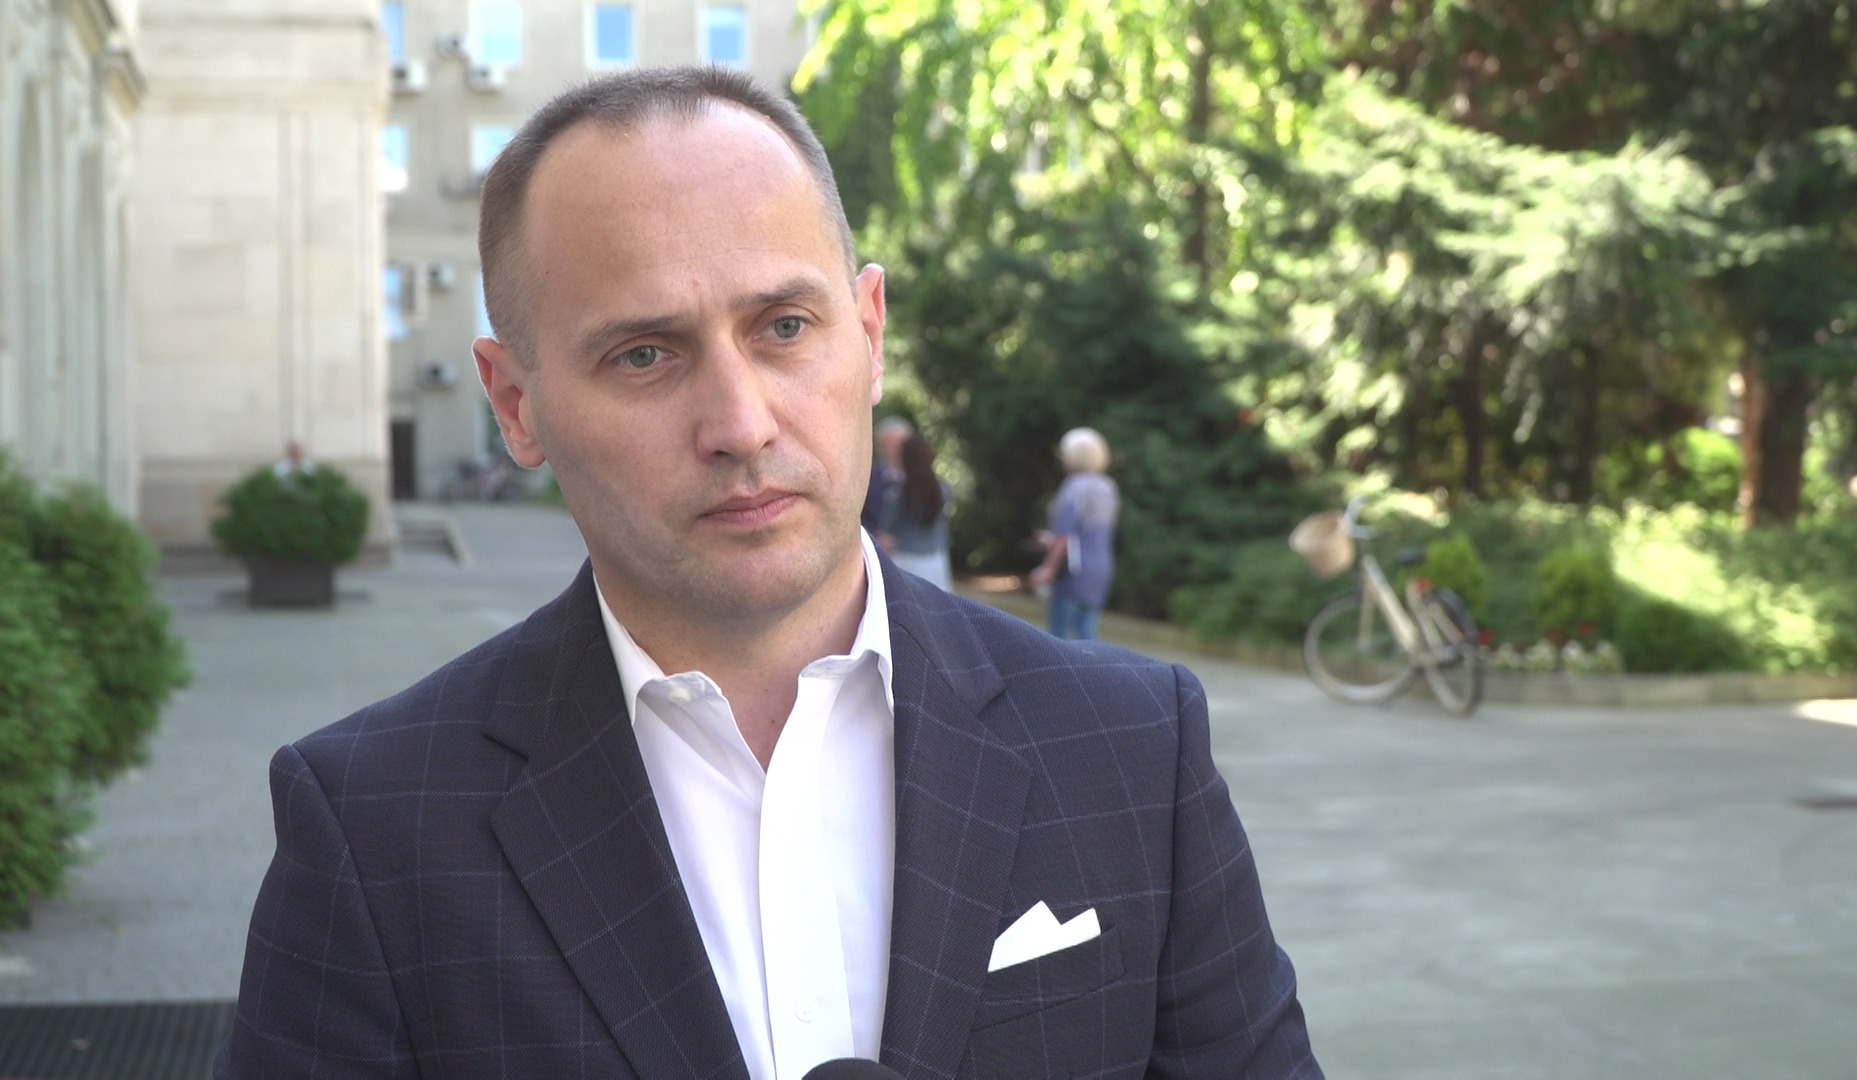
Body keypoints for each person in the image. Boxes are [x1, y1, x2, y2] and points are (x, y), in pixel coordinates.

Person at [216, 67, 1319, 1080]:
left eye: (785, 326)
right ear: (516, 405)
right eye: (644, 354)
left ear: (870, 334)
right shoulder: (375, 827)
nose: (740, 424)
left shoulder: (1132, 751)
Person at [1030, 427, 1120, 641]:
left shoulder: (1075, 486)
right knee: (1086, 630)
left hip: (1075, 570)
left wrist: (1047, 569)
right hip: (1101, 568)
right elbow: (1092, 533)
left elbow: (1065, 535)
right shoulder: (1108, 488)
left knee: (1059, 634)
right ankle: (1096, 664)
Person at [876, 431, 952, 590]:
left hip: (906, 559)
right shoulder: (943, 489)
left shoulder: (902, 493)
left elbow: (887, 528)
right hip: (936, 558)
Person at [860, 415, 913, 532]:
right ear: (880, 446)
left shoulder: (920, 480)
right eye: (890, 443)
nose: (895, 449)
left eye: (900, 443)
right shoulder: (867, 478)